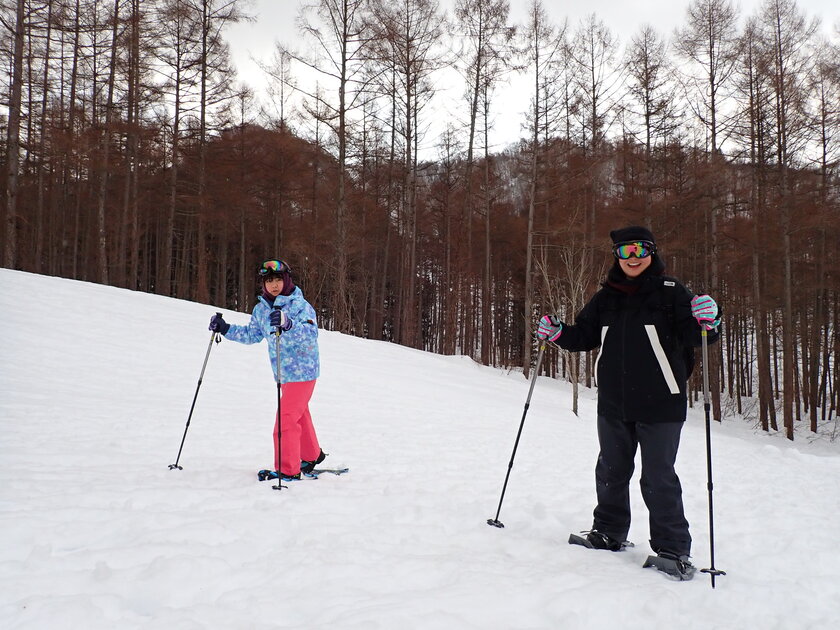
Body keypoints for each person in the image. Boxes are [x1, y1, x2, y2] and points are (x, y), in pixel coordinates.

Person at [536, 226, 721, 579]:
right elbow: (583, 336)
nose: (632, 258)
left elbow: (697, 335)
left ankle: (673, 550)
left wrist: (709, 320)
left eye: (638, 250)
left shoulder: (671, 292)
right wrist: (558, 333)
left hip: (661, 404)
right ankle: (608, 533)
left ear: (651, 252)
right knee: (611, 469)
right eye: (624, 252)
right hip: (614, 403)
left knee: (658, 477)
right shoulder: (606, 298)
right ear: (616, 257)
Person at [208, 259, 326, 481]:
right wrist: (225, 329)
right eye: (269, 280)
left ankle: (288, 469)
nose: (274, 285)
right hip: (283, 374)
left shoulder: (300, 305)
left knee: (286, 418)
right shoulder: (261, 309)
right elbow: (252, 335)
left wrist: (288, 324)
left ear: (287, 280)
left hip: (304, 371)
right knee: (298, 414)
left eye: (278, 279)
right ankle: (311, 455)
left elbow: (311, 335)